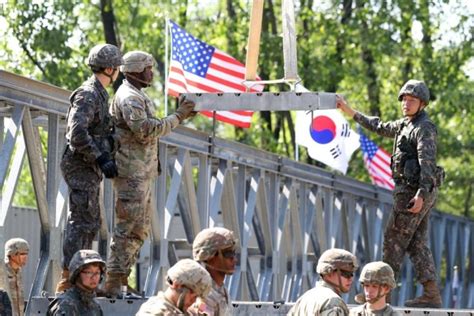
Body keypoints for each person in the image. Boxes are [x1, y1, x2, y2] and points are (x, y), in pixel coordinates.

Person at [337, 80, 444, 308]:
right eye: (404, 99)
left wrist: (421, 195)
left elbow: (428, 163)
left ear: (422, 104)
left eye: (411, 100)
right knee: (417, 244)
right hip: (413, 192)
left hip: (413, 193)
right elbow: (379, 126)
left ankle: (382, 298)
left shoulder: (423, 127)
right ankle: (431, 294)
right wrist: (349, 111)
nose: (406, 104)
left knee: (392, 243)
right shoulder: (405, 124)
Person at [104, 50, 196, 297]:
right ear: (134, 70)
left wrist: (179, 116)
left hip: (140, 171)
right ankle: (113, 281)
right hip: (131, 171)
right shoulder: (129, 97)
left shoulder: (137, 95)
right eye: (147, 68)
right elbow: (144, 130)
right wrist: (178, 116)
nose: (151, 72)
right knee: (128, 226)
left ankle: (120, 279)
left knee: (139, 229)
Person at [56, 43, 123, 294]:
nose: (118, 72)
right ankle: (68, 279)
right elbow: (76, 134)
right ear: (109, 68)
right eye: (116, 67)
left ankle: (80, 276)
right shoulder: (88, 94)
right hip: (80, 165)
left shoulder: (99, 94)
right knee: (81, 220)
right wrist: (100, 157)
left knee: (90, 221)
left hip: (88, 166)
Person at [287, 248, 358, 316]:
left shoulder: (304, 298)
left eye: (352, 274)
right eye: (346, 274)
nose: (350, 278)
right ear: (329, 272)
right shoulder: (333, 301)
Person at [136, 259, 212, 316]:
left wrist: (203, 308)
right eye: (193, 295)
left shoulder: (178, 308)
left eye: (197, 297)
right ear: (177, 285)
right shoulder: (154, 311)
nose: (194, 301)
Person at [190, 227, 238, 316]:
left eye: (234, 253)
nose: (234, 259)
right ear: (209, 256)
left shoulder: (220, 289)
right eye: (228, 254)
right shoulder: (202, 294)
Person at [47, 249, 106, 316]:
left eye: (97, 273)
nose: (94, 277)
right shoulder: (66, 304)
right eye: (89, 272)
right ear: (77, 274)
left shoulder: (95, 305)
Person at [0, 238, 29, 316]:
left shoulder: (18, 272)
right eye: (22, 254)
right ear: (12, 254)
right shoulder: (2, 272)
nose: (25, 257)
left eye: (26, 254)